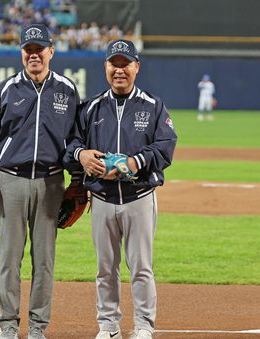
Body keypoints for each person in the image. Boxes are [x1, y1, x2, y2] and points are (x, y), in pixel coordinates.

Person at [63, 39, 177, 339]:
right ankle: (109, 326)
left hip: (139, 197)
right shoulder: (91, 108)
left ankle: (143, 326)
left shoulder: (153, 106)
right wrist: (81, 156)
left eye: (125, 64)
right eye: (114, 64)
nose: (119, 70)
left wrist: (135, 162)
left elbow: (166, 146)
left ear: (136, 67)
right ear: (106, 67)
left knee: (141, 267)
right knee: (105, 269)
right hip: (101, 198)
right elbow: (71, 144)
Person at [0, 23, 81, 339]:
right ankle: (8, 325)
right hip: (11, 180)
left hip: (51, 183)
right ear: (22, 53)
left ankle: (37, 327)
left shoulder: (66, 90)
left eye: (39, 49)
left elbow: (77, 138)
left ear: (51, 51)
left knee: (44, 261)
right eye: (28, 49)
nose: (34, 55)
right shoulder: (4, 90)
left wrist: (77, 183)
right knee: (10, 258)